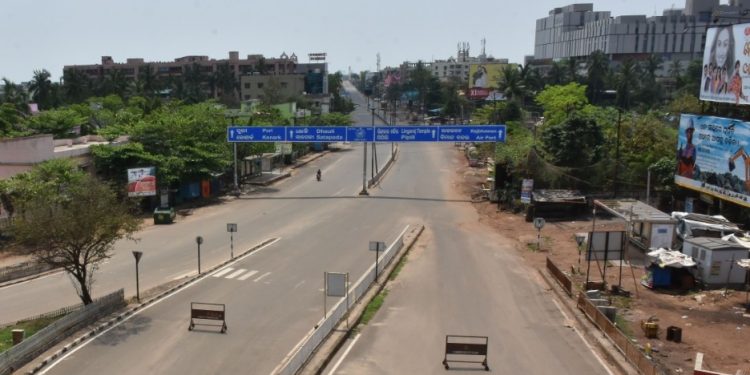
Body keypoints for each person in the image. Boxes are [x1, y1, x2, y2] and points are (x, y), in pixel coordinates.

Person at [708, 26, 734, 94]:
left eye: (725, 45)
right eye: (719, 44)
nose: (721, 53)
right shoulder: (709, 79)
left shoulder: (731, 80)